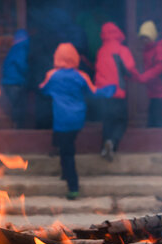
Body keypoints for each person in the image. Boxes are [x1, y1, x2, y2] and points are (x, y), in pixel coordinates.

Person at [40, 43, 115, 200]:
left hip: (61, 118)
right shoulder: (81, 76)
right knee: (66, 145)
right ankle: (66, 174)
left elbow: (43, 89)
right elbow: (93, 92)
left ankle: (73, 186)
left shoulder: (52, 75)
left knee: (67, 151)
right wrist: (111, 89)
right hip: (77, 118)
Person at [95, 22, 140, 161]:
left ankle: (105, 147)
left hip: (103, 93)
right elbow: (130, 68)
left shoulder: (101, 50)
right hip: (118, 92)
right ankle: (112, 142)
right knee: (121, 121)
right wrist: (137, 77)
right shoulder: (121, 49)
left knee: (107, 120)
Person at [136, 21, 162, 127]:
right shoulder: (148, 49)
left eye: (146, 37)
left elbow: (160, 67)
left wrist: (144, 77)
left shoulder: (160, 48)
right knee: (153, 119)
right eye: (142, 38)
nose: (144, 40)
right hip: (155, 90)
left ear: (152, 36)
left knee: (158, 120)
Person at [1, 29, 29, 129]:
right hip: (16, 82)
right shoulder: (21, 48)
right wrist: (29, 74)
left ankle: (16, 127)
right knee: (19, 106)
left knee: (14, 105)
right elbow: (21, 64)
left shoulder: (14, 49)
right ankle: (18, 129)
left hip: (8, 81)